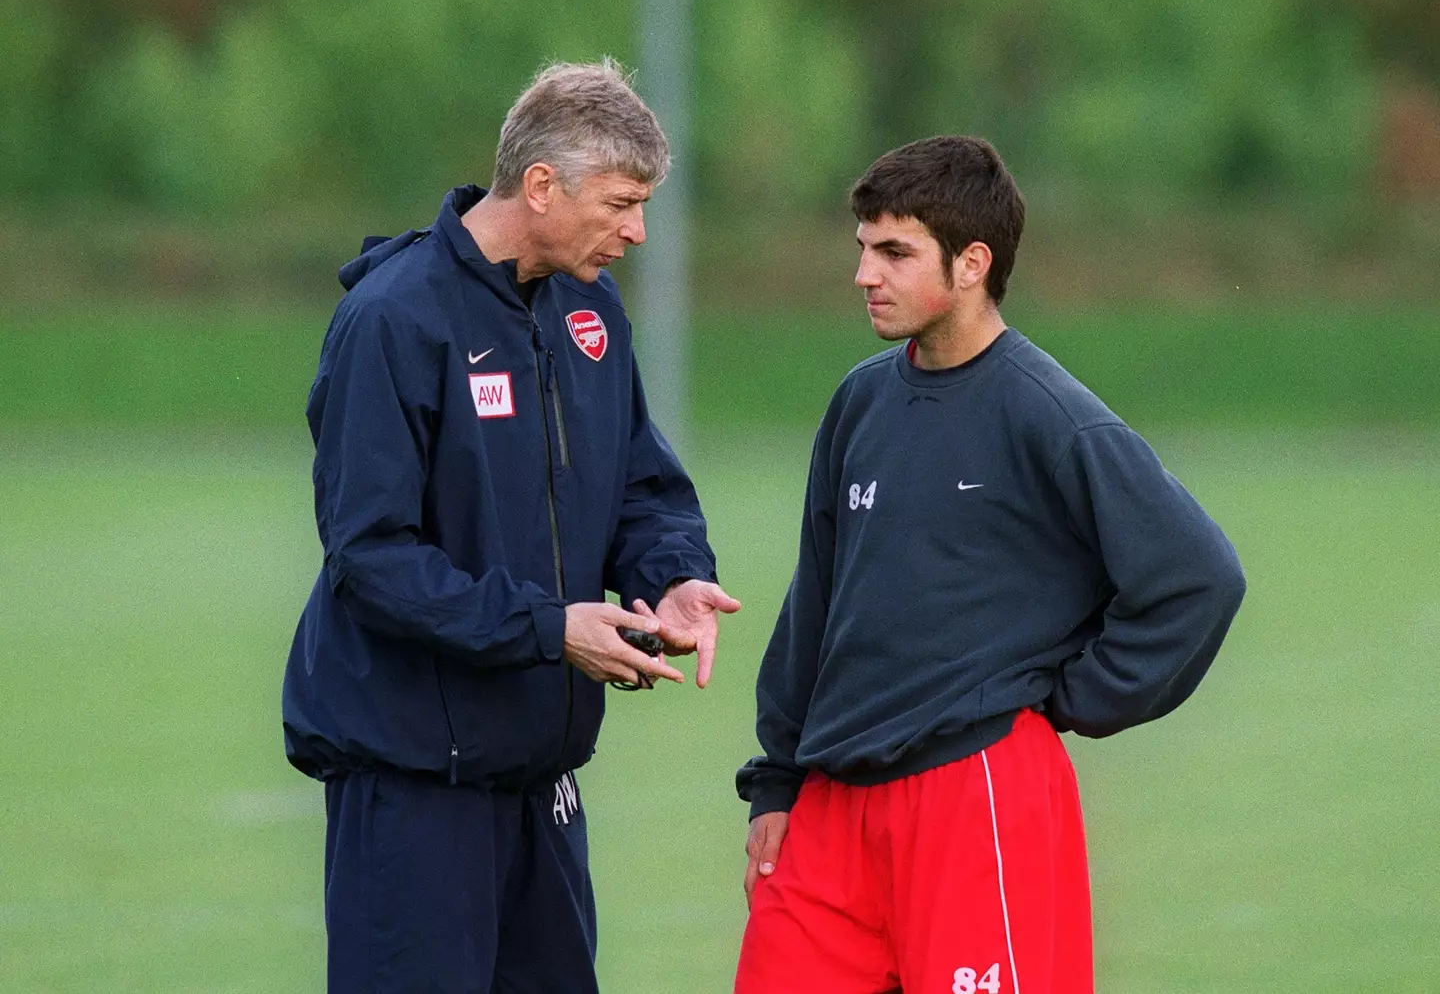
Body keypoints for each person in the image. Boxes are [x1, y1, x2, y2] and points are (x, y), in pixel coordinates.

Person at [733, 136, 1246, 994]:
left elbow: (1199, 578)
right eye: (862, 247)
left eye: (894, 252)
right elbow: (816, 601)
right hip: (830, 805)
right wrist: (776, 782)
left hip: (974, 793)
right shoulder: (860, 401)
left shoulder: (1050, 413)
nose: (865, 273)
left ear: (973, 262)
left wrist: (1068, 700)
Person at [282, 59, 741, 993]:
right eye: (620, 202)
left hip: (541, 783)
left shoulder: (589, 311)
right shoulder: (392, 319)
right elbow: (369, 559)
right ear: (540, 185)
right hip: (415, 791)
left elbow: (643, 487)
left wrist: (672, 575)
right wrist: (549, 628)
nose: (637, 231)